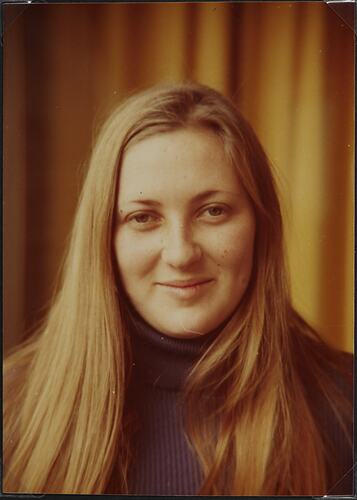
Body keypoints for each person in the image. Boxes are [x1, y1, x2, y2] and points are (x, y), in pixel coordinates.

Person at [4, 82, 353, 495]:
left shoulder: (344, 405)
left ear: (262, 225)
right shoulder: (13, 406)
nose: (181, 253)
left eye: (213, 210)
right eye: (143, 217)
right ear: (103, 239)